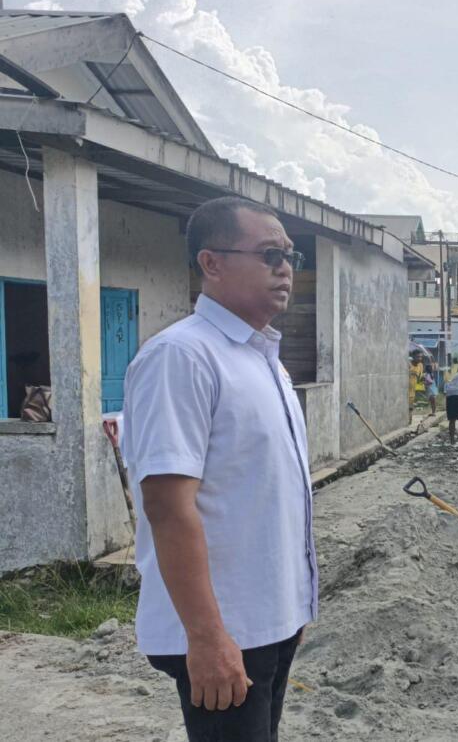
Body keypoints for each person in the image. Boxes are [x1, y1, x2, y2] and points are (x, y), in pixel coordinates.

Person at [123, 196, 317, 740]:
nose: (285, 268)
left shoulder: (264, 361)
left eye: (290, 256)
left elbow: (266, 494)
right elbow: (167, 505)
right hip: (222, 628)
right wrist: (207, 638)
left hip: (267, 622)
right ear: (211, 263)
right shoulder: (182, 357)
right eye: (269, 253)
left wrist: (291, 606)